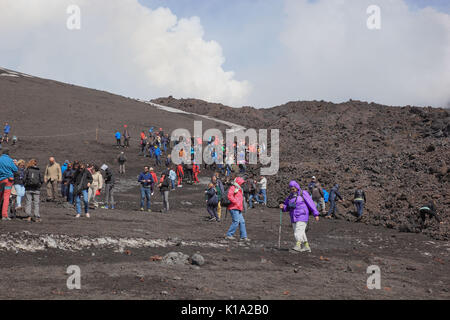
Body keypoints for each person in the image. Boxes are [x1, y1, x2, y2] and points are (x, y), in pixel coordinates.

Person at [280, 180, 320, 253]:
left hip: (302, 215)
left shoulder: (303, 193)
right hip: (293, 217)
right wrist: (283, 207)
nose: (293, 190)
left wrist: (316, 214)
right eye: (291, 189)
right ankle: (306, 247)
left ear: (297, 187)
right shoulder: (290, 197)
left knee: (298, 231)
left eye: (294, 188)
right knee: (300, 232)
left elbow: (311, 203)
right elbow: (287, 206)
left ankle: (298, 246)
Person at [225, 177, 249, 242]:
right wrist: (236, 202)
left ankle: (243, 236)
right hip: (233, 207)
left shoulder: (239, 188)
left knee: (242, 222)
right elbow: (229, 196)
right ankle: (229, 234)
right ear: (238, 182)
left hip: (238, 207)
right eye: (241, 182)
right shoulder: (233, 187)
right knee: (236, 221)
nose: (242, 184)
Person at [0, 149, 18, 220]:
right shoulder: (10, 160)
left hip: (1, 180)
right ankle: (4, 215)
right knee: (6, 197)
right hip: (8, 180)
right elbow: (15, 169)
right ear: (8, 154)